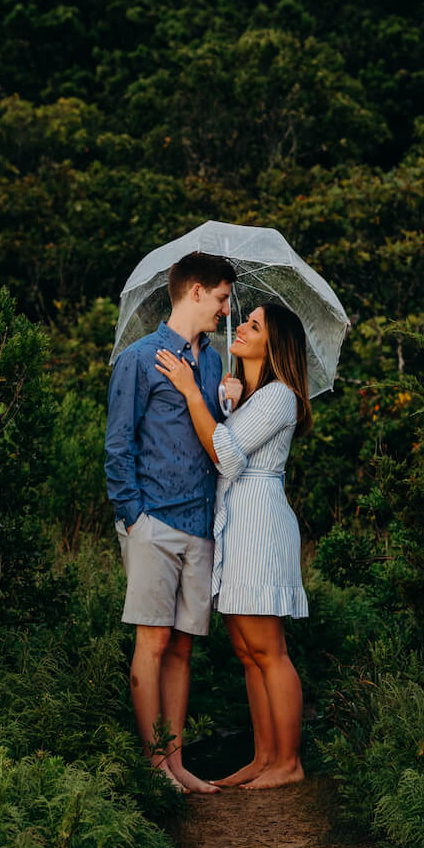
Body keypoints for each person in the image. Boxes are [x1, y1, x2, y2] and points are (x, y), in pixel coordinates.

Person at [155, 300, 312, 790]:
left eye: (253, 325)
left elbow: (225, 454)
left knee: (269, 650)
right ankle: (264, 758)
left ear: (274, 343)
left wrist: (190, 392)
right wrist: (229, 401)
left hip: (259, 527)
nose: (240, 326)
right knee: (247, 651)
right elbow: (232, 438)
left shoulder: (280, 397)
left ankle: (288, 762)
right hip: (237, 525)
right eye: (244, 320)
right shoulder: (254, 397)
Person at [104, 250, 236, 793]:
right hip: (153, 521)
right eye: (223, 299)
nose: (227, 311)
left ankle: (178, 764)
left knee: (182, 648)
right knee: (153, 645)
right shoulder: (139, 358)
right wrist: (133, 517)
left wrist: (232, 399)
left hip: (200, 523)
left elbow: (216, 442)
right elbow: (119, 445)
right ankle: (155, 768)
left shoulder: (214, 363)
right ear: (196, 292)